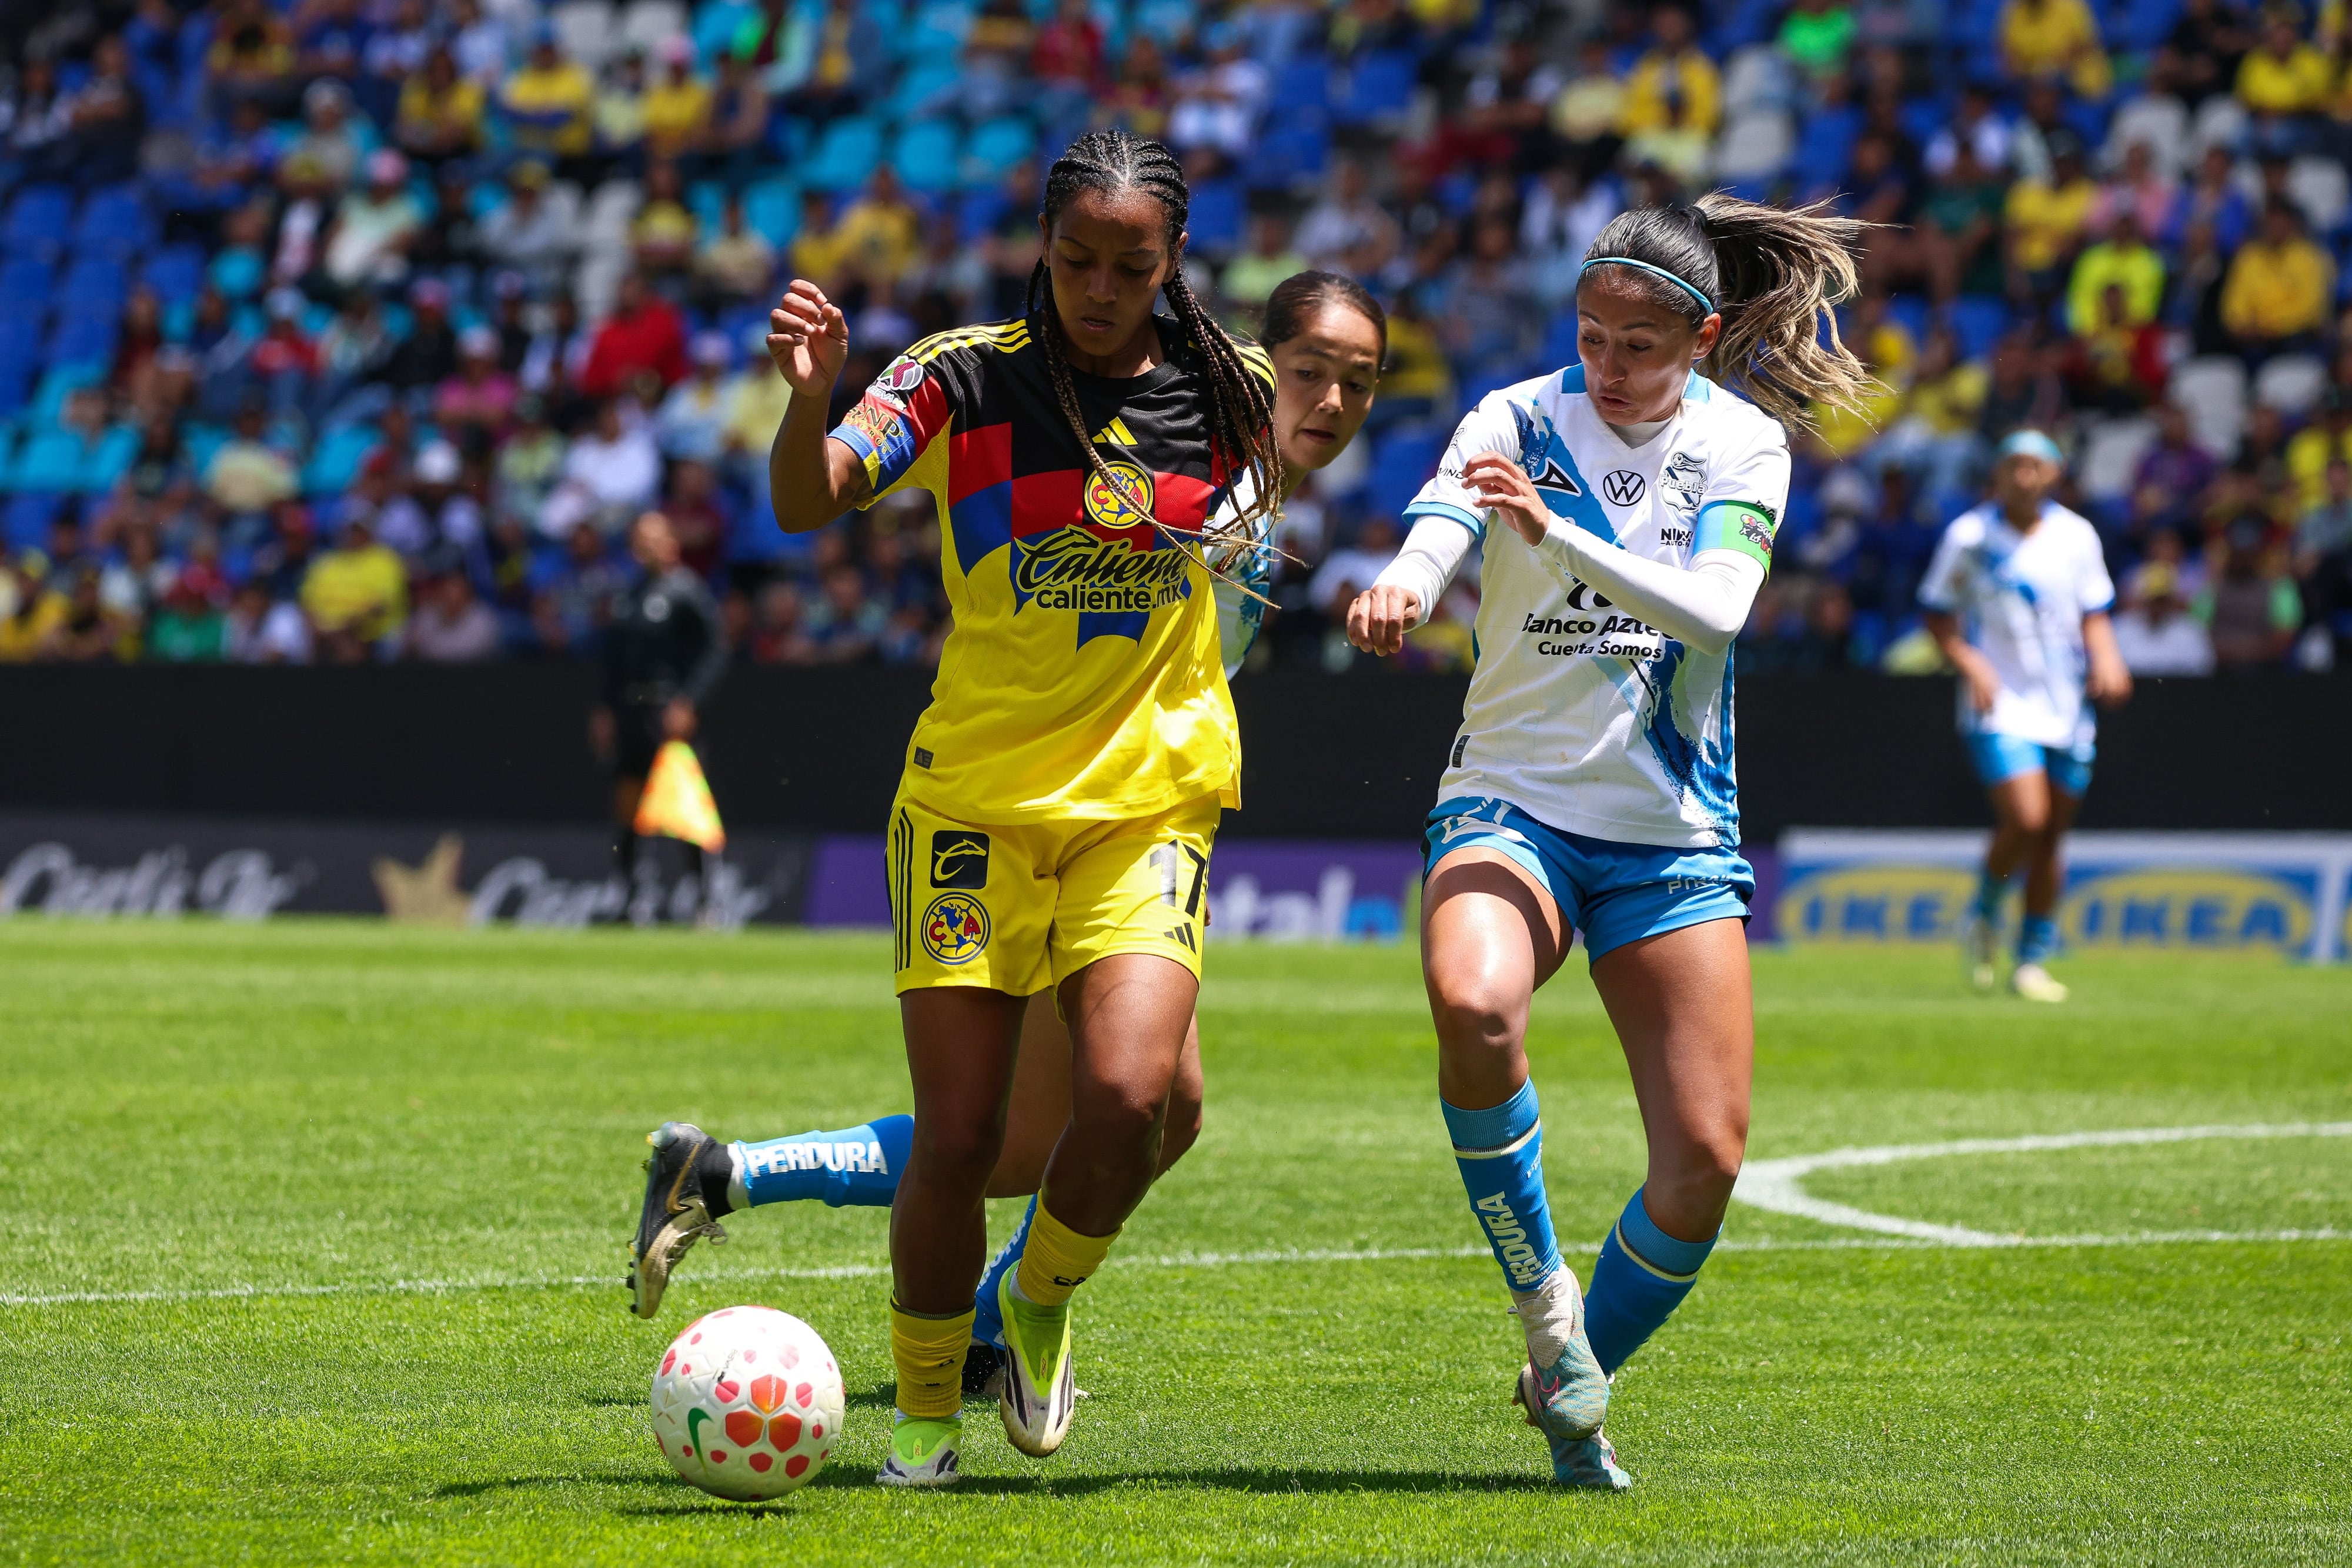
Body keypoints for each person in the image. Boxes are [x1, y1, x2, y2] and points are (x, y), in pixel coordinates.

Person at [627, 132, 1309, 1490]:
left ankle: (1034, 1299)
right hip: (971, 807)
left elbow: (1278, 491)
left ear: (1171, 263)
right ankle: (924, 1429)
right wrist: (807, 401)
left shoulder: (1228, 387)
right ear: (1038, 248)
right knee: (958, 1139)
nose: (1098, 289)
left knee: (1133, 1099)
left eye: (1128, 267)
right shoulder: (957, 378)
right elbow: (808, 498)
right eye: (1074, 259)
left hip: (1143, 809)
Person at [1342, 196, 1873, 1489]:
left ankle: (1569, 1382)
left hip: (1668, 832)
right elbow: (1442, 523)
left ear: (1700, 338)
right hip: (1510, 800)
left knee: (1705, 1164)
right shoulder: (1515, 418)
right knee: (1474, 1001)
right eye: (1590, 336)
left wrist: (1555, 533)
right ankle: (1547, 1313)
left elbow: (1716, 612)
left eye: (1639, 344)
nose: (1609, 365)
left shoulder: (1743, 442)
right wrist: (1406, 581)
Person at [1921, 430, 2132, 1004]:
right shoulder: (1970, 537)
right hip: (2001, 706)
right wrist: (1972, 664)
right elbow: (1938, 613)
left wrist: (2108, 657)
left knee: (2051, 836)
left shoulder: (2077, 536)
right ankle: (1985, 911)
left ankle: (2031, 960)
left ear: (2054, 474)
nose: (2023, 476)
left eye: (2034, 465)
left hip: (2067, 707)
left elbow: (2095, 612)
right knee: (2028, 817)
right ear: (1998, 473)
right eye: (2013, 465)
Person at [591, 511, 727, 888]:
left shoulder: (687, 590)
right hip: (629, 712)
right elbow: (613, 658)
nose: (646, 546)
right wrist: (605, 708)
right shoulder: (628, 595)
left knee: (684, 804)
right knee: (627, 804)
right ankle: (628, 893)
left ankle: (703, 895)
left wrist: (689, 702)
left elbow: (716, 650)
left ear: (671, 543)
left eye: (653, 538)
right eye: (639, 539)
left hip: (667, 712)